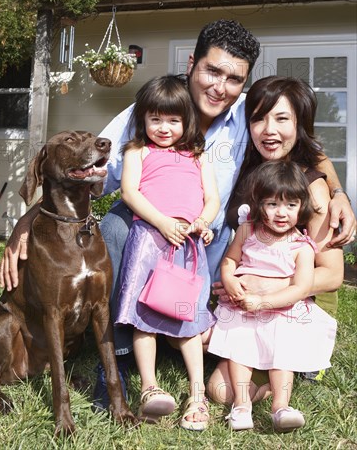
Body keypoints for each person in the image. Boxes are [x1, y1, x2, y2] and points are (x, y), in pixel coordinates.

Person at [0, 21, 355, 409]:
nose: (221, 87)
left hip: (211, 236)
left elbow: (301, 140)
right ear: (191, 64)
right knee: (115, 226)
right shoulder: (153, 110)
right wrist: (26, 219)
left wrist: (338, 192)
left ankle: (198, 344)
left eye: (234, 79)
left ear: (245, 83)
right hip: (149, 228)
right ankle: (117, 359)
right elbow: (86, 167)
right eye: (212, 71)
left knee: (229, 255)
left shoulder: (250, 114)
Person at [207, 75, 344, 407]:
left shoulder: (311, 187)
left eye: (282, 119)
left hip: (295, 304)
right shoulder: (249, 168)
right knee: (216, 381)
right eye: (258, 118)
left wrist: (265, 286)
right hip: (248, 306)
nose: (268, 129)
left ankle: (299, 364)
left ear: (299, 123)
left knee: (222, 391)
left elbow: (333, 275)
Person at [115, 75, 219, 429]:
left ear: (186, 121)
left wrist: (203, 222)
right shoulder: (137, 151)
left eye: (173, 120)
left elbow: (212, 198)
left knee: (186, 318)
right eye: (155, 118)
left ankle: (198, 393)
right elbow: (129, 192)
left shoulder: (197, 155)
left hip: (187, 246)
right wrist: (161, 222)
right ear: (143, 118)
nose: (163, 127)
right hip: (150, 239)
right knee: (145, 317)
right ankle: (150, 387)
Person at [207, 160, 337, 432]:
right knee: (238, 352)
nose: (281, 213)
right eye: (272, 204)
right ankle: (242, 406)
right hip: (244, 312)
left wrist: (264, 301)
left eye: (290, 205)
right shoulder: (247, 231)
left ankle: (281, 405)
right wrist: (229, 278)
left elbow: (301, 288)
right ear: (259, 205)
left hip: (282, 314)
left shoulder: (302, 247)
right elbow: (230, 261)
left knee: (282, 356)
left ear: (301, 207)